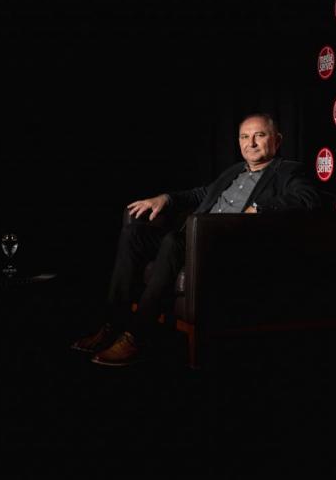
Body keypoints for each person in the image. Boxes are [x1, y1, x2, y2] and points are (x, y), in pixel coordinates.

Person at [71, 113, 321, 367]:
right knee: (134, 233)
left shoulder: (287, 170)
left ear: (277, 140)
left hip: (226, 244)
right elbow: (202, 194)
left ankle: (136, 335)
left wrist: (258, 208)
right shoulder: (235, 170)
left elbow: (308, 197)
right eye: (245, 137)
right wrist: (166, 198)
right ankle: (112, 324)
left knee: (173, 241)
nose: (251, 143)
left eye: (260, 135)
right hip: (194, 236)